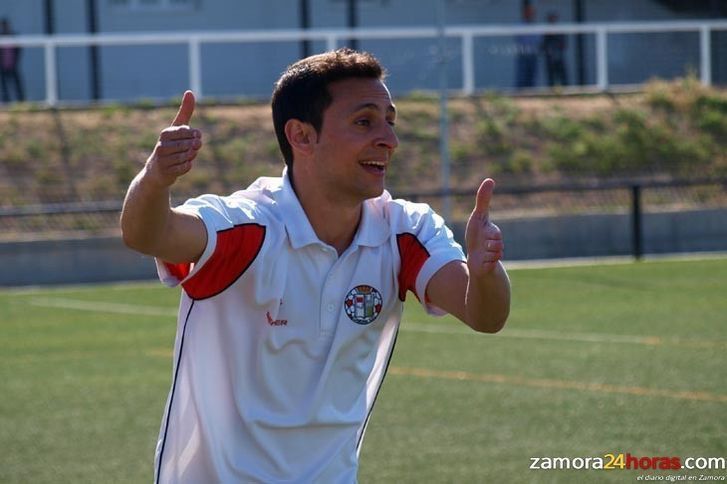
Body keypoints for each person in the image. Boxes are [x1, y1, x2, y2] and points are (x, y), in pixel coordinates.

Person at [121, 48, 510, 483]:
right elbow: (148, 234)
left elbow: (484, 315)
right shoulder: (249, 226)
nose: (389, 139)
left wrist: (486, 271)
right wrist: (156, 177)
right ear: (302, 136)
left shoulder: (405, 230)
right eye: (365, 121)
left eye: (390, 121)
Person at [514, 4, 541, 89]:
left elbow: (539, 40)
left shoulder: (536, 26)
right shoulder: (520, 25)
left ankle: (532, 94)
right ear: (524, 14)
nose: (531, 15)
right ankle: (520, 94)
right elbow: (518, 39)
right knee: (522, 75)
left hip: (533, 53)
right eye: (528, 13)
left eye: (532, 13)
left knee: (532, 75)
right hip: (523, 53)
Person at [0, 18, 25, 103]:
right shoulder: (1, 36)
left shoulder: (14, 36)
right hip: (3, 65)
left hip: (13, 64)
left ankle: (21, 100)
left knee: (17, 84)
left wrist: (16, 61)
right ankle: (6, 100)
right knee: (4, 85)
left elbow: (19, 49)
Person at [542, 11, 568, 87]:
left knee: (563, 76)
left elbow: (564, 45)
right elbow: (543, 46)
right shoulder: (545, 31)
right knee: (551, 78)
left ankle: (565, 92)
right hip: (550, 58)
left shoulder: (560, 31)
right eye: (551, 19)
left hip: (559, 57)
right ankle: (551, 93)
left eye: (554, 19)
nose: (552, 20)